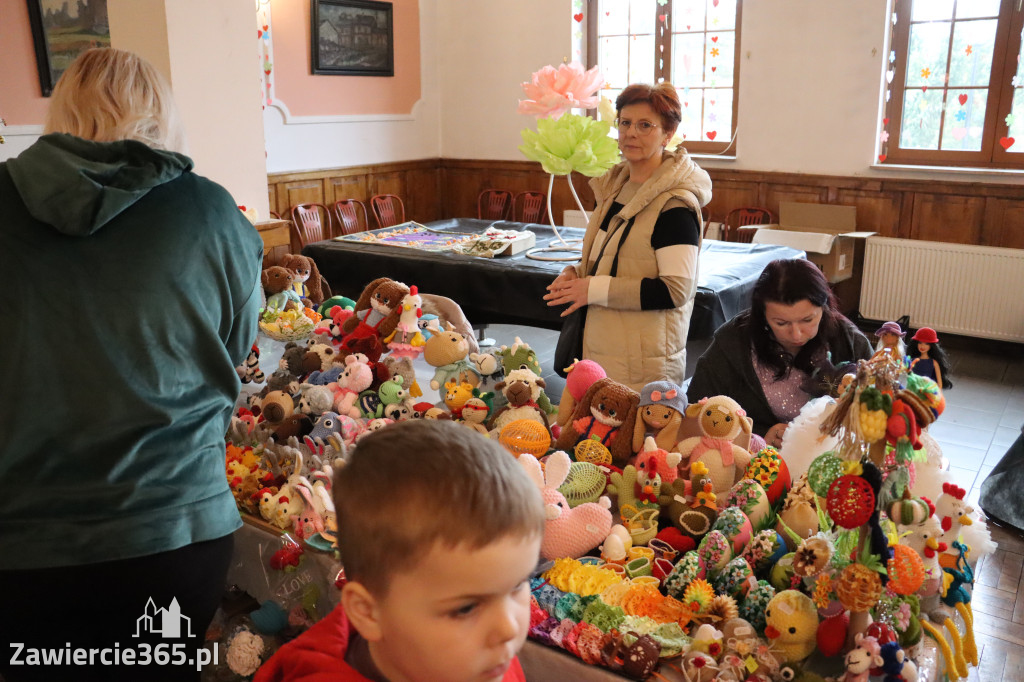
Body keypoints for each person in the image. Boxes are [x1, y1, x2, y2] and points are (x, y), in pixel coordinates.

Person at [0, 48, 262, 681]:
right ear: (162, 115)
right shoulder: (211, 212)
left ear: (61, 111)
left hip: (23, 541)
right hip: (175, 530)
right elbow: (234, 351)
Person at [254, 420, 546, 682]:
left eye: (518, 585)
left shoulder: (484, 663)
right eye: (466, 608)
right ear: (369, 613)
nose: (508, 628)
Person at [544, 82, 711, 390]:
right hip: (602, 347)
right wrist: (575, 274)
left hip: (642, 362)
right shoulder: (614, 188)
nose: (631, 132)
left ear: (668, 135)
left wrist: (591, 288)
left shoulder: (674, 205)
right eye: (625, 123)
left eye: (645, 125)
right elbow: (608, 258)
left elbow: (676, 291)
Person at [686, 258, 873, 445]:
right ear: (762, 316)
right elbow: (694, 414)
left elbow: (884, 407)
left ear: (823, 308)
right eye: (781, 323)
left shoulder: (848, 340)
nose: (796, 334)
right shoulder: (733, 342)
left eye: (808, 320)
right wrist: (755, 436)